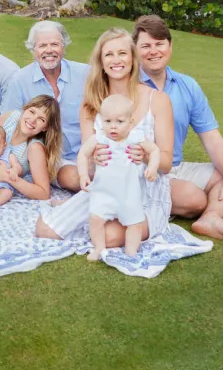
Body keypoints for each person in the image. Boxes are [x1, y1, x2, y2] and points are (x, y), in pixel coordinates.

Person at [36, 27, 174, 248]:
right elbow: (88, 162)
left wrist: (146, 156)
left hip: (144, 193)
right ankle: (83, 212)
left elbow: (165, 164)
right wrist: (93, 160)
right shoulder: (90, 105)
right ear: (101, 62)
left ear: (133, 58)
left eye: (122, 53)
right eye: (109, 54)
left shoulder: (157, 100)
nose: (116, 60)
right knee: (45, 230)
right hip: (105, 187)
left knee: (109, 237)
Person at [132, 15, 223, 239]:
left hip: (176, 166)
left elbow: (212, 139)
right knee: (195, 199)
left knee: (221, 175)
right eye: (146, 46)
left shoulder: (187, 85)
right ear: (135, 50)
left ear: (170, 46)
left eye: (159, 44)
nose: (154, 51)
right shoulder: (128, 85)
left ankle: (211, 217)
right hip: (142, 170)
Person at [2, 20, 90, 191]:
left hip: (90, 150)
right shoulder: (19, 81)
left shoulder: (86, 74)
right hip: (53, 159)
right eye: (42, 45)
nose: (49, 50)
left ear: (63, 46)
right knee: (74, 178)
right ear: (33, 49)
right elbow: (9, 127)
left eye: (54, 44)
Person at [77, 94, 160, 260]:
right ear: (101, 120)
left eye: (119, 121)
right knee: (95, 219)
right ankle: (99, 248)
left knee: (135, 224)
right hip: (103, 193)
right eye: (107, 121)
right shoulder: (99, 138)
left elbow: (154, 150)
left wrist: (152, 167)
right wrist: (83, 174)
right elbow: (83, 154)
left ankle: (131, 251)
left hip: (129, 194)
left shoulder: (135, 138)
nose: (113, 127)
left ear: (131, 122)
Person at [0, 95, 62, 201]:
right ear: (25, 110)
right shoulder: (13, 117)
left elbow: (44, 193)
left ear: (45, 127)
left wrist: (6, 177)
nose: (33, 120)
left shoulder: (34, 148)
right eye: (32, 112)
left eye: (41, 119)